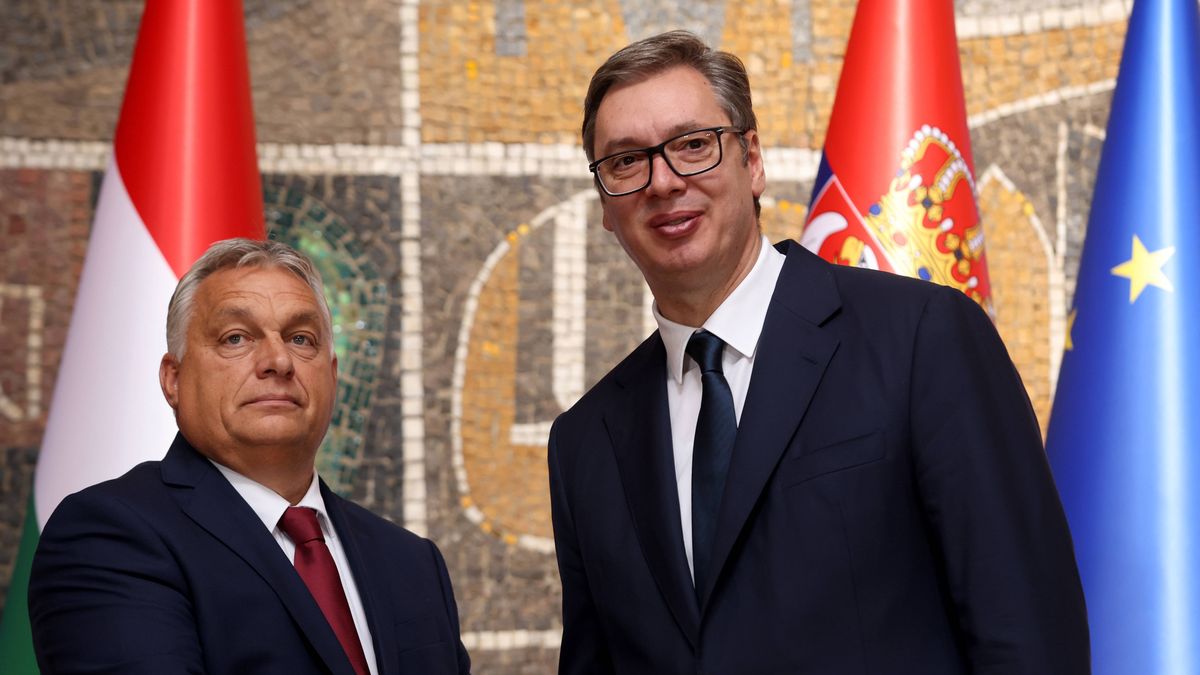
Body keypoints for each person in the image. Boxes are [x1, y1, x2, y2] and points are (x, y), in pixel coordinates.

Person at [548, 31, 1089, 673]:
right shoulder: (585, 443)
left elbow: (1028, 638)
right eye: (626, 162)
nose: (663, 182)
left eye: (693, 145)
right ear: (606, 205)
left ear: (752, 159)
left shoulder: (922, 339)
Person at [29, 238, 471, 674]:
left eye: (301, 338)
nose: (278, 360)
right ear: (174, 379)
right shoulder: (108, 536)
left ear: (332, 376)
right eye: (236, 338)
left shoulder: (413, 562)